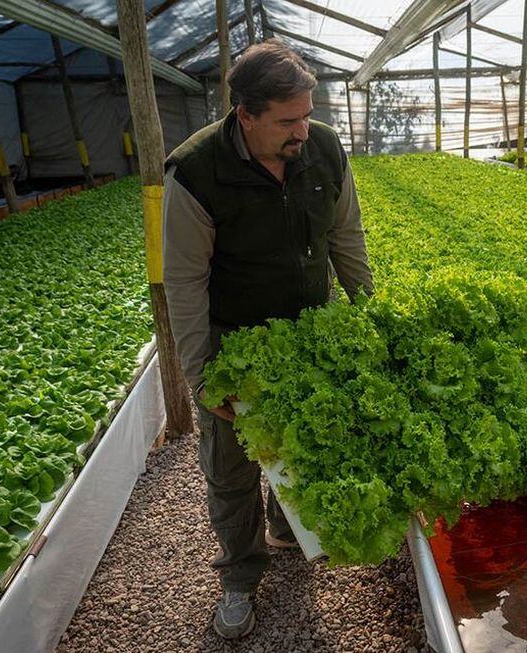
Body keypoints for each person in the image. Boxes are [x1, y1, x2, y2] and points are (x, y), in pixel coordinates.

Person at [161, 39, 374, 640]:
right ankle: (238, 576)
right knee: (231, 470)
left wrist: (372, 316)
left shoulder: (324, 148)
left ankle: (286, 527)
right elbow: (184, 282)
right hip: (236, 346)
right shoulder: (196, 172)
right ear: (245, 116)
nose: (303, 131)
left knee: (300, 444)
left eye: (307, 114)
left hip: (311, 333)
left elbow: (346, 236)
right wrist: (201, 377)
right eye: (287, 121)